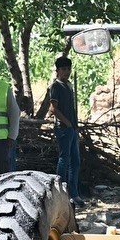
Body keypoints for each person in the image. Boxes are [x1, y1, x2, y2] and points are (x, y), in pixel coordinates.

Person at [37, 55, 82, 207]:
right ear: (57, 71)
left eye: (68, 69)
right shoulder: (56, 86)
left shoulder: (68, 85)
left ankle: (73, 193)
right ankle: (60, 192)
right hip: (63, 128)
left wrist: (74, 126)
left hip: (72, 128)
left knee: (75, 162)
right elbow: (53, 108)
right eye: (64, 69)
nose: (67, 72)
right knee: (64, 159)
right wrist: (67, 123)